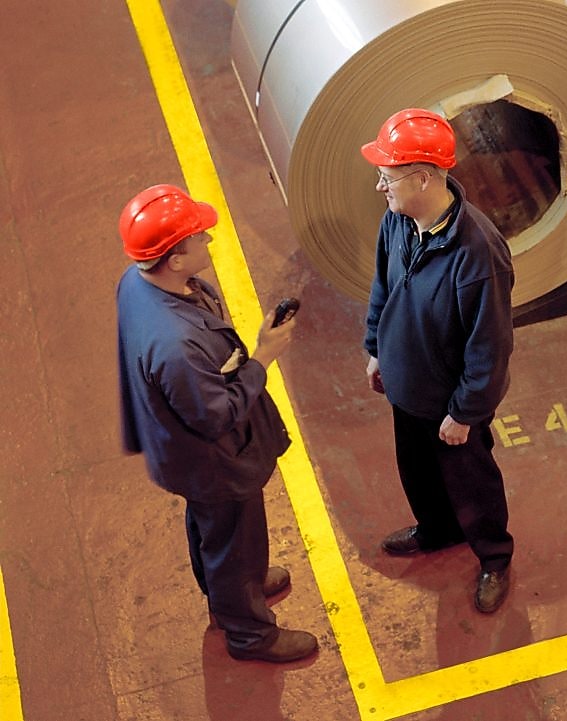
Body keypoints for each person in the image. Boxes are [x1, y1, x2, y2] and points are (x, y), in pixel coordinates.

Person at [115, 184, 318, 662]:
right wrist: (262, 357)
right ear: (175, 260)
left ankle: (226, 589)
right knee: (235, 538)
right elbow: (215, 415)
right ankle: (249, 632)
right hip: (214, 463)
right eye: (199, 239)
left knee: (213, 528)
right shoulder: (176, 345)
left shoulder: (137, 280)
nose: (209, 240)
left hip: (181, 453)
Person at [361, 108, 516, 614]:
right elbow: (383, 285)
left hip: (451, 403)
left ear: (422, 178)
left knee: (471, 481)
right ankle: (437, 529)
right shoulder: (398, 222)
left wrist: (466, 412)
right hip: (406, 385)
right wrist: (376, 348)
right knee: (417, 471)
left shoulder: (477, 253)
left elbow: (489, 345)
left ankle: (494, 557)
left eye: (387, 177)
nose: (380, 187)